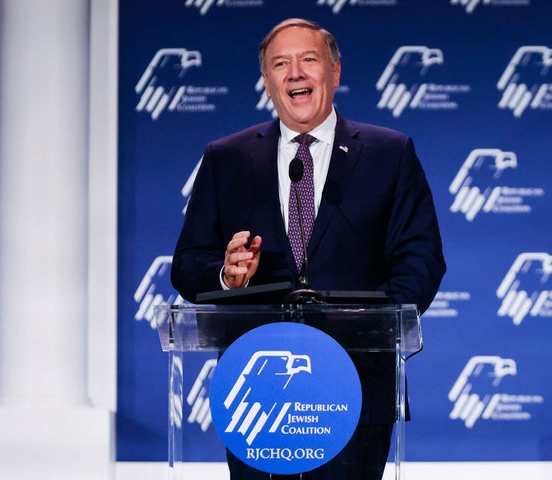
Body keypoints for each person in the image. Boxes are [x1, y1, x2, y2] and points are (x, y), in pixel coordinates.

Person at [171, 18, 446, 480]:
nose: (295, 73)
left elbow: (420, 261)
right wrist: (226, 276)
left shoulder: (388, 153)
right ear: (267, 82)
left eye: (308, 60)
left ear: (334, 72)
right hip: (257, 391)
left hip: (355, 386)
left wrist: (373, 325)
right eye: (281, 64)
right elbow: (188, 264)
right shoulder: (227, 158)